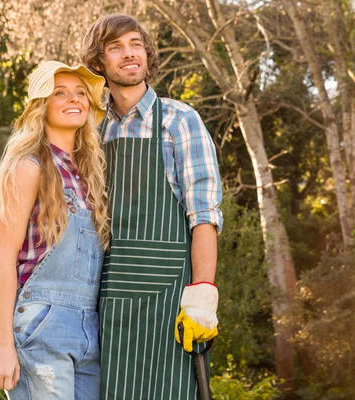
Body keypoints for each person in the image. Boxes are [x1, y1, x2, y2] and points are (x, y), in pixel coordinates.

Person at [81, 14, 223, 399]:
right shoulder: (92, 132)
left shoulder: (179, 121)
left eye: (135, 44)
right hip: (107, 297)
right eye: (115, 47)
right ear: (100, 62)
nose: (129, 54)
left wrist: (203, 291)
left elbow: (204, 217)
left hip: (171, 301)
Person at [0, 60, 109, 399]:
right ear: (42, 104)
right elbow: (2, 259)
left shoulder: (89, 176)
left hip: (89, 329)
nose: (74, 100)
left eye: (81, 93)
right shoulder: (28, 167)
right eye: (60, 93)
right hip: (43, 326)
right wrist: (2, 345)